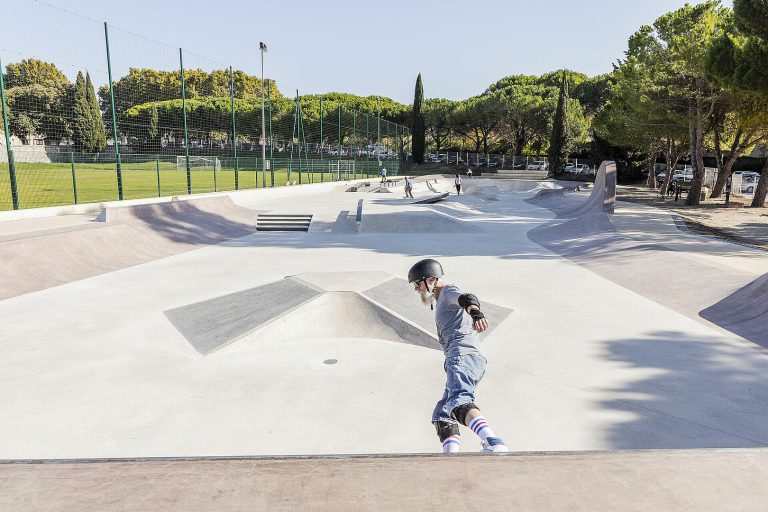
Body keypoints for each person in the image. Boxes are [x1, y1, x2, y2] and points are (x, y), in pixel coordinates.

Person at [407, 259, 508, 454]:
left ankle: (493, 441)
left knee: (459, 401)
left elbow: (464, 297)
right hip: (465, 358)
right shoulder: (440, 298)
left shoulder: (447, 292)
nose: (417, 290)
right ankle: (450, 456)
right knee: (442, 414)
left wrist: (476, 313)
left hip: (462, 356)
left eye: (417, 284)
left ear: (430, 279)